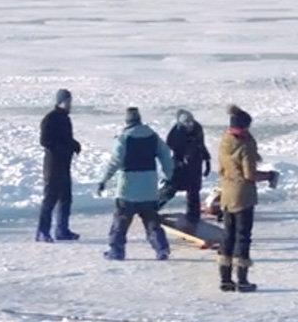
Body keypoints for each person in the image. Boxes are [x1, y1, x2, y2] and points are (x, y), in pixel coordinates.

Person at [97, 107, 174, 261]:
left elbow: (115, 162)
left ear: (127, 121)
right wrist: (169, 175)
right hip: (148, 189)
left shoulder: (124, 138)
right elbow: (165, 155)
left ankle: (116, 251)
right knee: (152, 221)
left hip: (128, 189)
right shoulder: (153, 136)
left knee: (120, 222)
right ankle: (161, 248)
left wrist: (104, 180)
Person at [217, 105, 279, 293]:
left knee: (228, 235)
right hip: (243, 196)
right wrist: (269, 176)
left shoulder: (225, 141)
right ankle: (242, 281)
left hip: (226, 194)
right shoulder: (245, 145)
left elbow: (222, 169)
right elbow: (249, 174)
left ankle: (225, 279)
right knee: (243, 237)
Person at [37, 89, 82, 243]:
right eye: (67, 101)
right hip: (53, 166)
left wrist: (74, 145)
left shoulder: (65, 119)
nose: (70, 104)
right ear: (59, 102)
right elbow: (45, 141)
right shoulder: (50, 119)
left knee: (66, 199)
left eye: (70, 101)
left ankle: (62, 230)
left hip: (64, 166)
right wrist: (64, 147)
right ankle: (42, 231)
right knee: (50, 199)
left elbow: (66, 138)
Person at [164, 109, 212, 231]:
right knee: (172, 187)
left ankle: (193, 216)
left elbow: (201, 145)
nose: (190, 125)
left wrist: (207, 160)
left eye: (191, 122)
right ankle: (153, 207)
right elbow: (169, 145)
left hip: (195, 163)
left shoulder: (198, 128)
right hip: (180, 164)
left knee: (194, 190)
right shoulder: (176, 131)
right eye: (187, 123)